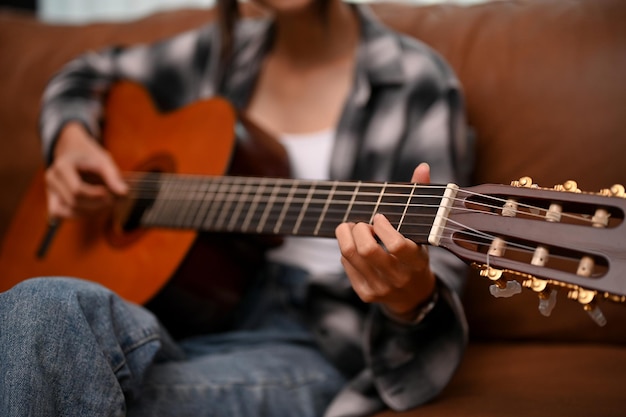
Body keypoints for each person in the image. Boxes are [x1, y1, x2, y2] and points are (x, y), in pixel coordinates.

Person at [0, 0, 472, 416]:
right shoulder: (219, 52)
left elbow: (439, 280)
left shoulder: (416, 79)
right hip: (188, 315)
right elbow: (82, 74)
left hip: (309, 338)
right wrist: (70, 139)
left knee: (65, 379)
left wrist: (409, 293)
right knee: (34, 305)